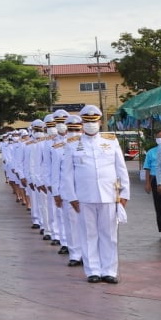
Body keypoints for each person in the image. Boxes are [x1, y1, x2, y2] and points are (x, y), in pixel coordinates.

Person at [61, 105, 130, 284]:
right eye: (87, 121)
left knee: (109, 235)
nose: (91, 125)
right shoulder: (72, 143)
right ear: (82, 123)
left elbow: (121, 168)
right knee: (88, 234)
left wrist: (124, 194)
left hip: (109, 195)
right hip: (84, 197)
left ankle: (109, 271)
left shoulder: (111, 141)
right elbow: (67, 174)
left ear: (100, 122)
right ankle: (92, 270)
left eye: (94, 121)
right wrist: (72, 197)